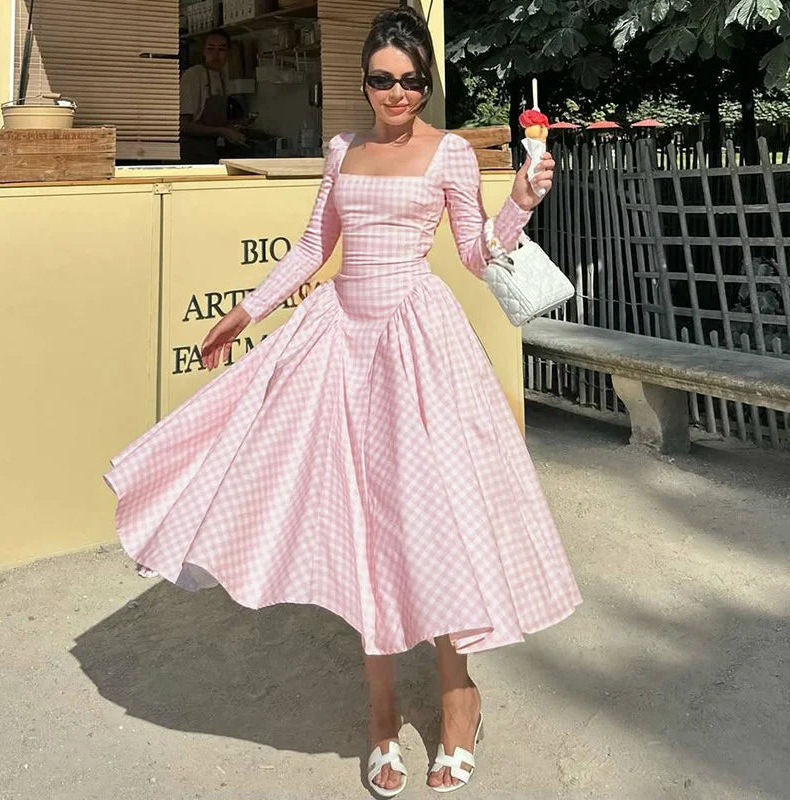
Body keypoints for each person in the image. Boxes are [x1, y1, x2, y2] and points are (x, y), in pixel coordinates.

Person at [103, 6, 581, 796]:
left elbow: (475, 253)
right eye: (382, 79)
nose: (397, 93)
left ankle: (461, 703)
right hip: (341, 340)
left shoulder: (452, 154)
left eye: (411, 80)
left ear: (427, 82)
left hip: (418, 346)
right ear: (363, 82)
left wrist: (524, 197)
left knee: (438, 520)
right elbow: (310, 247)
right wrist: (249, 309)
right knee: (361, 526)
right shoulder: (341, 151)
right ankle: (381, 715)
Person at [179, 28, 246, 163]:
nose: (216, 54)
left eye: (221, 49)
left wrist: (231, 128)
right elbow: (183, 125)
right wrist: (223, 131)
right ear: (203, 51)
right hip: (190, 151)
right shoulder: (194, 75)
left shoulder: (222, 76)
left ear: (228, 53)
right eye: (211, 48)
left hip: (209, 149)